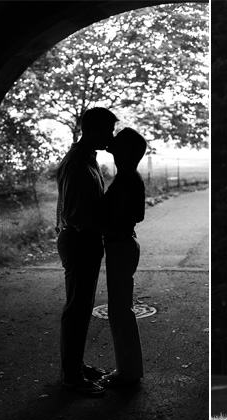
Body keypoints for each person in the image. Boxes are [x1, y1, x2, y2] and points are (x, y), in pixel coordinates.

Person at [55, 107, 117, 397]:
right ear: (94, 129)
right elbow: (74, 211)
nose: (111, 136)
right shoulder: (78, 161)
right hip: (80, 241)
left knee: (81, 306)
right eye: (109, 130)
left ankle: (76, 366)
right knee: (77, 309)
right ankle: (71, 376)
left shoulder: (87, 158)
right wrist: (105, 223)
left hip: (86, 240)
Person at [98, 128, 148, 389]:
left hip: (120, 246)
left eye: (118, 141)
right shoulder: (131, 177)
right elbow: (137, 214)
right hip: (124, 244)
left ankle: (127, 373)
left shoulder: (126, 179)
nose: (112, 141)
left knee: (120, 311)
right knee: (121, 310)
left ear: (125, 150)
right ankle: (129, 369)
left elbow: (126, 214)